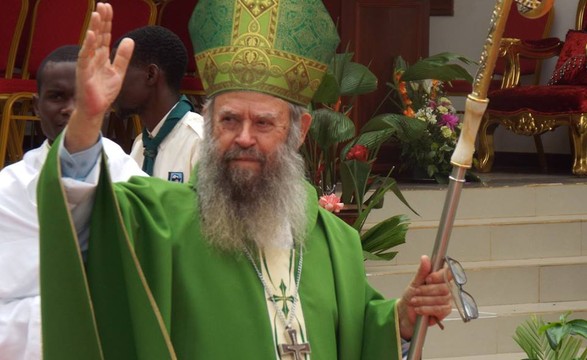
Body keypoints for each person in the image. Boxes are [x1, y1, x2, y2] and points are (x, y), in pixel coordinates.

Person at [37, 2, 452, 359]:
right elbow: (83, 218)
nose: (244, 138)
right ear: (209, 121)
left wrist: (401, 319)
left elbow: (359, 336)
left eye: (264, 123)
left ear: (300, 130)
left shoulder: (334, 243)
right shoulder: (161, 221)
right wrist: (87, 121)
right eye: (229, 120)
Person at [0, 45, 146, 359]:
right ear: (37, 106)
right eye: (57, 97)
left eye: (82, 98)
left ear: (104, 104)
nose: (71, 110)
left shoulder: (130, 181)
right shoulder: (6, 192)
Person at [113, 25, 204, 182]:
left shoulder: (199, 141)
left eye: (118, 71)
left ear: (150, 75)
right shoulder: (140, 146)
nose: (110, 82)